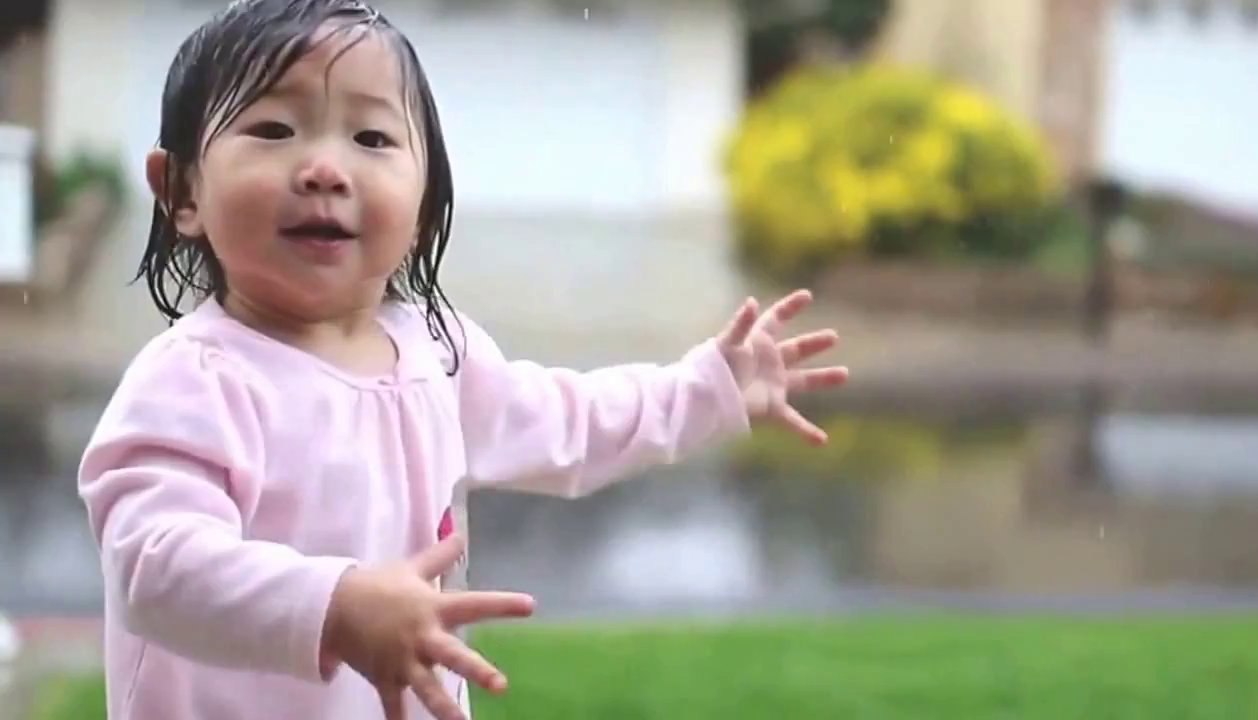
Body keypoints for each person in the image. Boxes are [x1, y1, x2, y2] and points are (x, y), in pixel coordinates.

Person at [76, 1, 850, 719]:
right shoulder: (191, 381)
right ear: (180, 191)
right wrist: (336, 605)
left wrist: (708, 388)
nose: (324, 169)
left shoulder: (435, 357)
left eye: (371, 139)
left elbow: (570, 422)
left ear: (420, 213)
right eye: (274, 130)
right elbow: (156, 566)